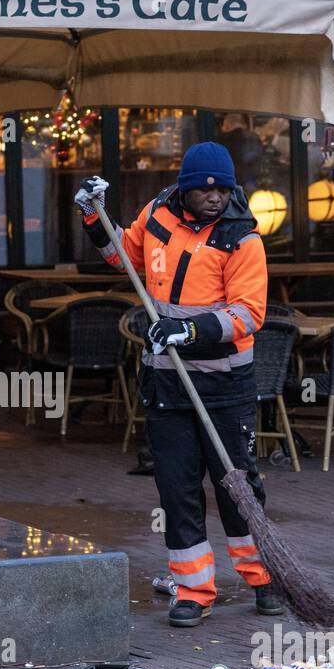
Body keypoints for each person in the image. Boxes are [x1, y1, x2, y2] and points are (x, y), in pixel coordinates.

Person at [74, 142, 282, 626]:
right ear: (185, 189)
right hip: (166, 381)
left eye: (221, 190)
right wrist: (92, 214)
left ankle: (263, 576)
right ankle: (193, 590)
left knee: (237, 486)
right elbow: (121, 255)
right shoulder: (156, 216)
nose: (213, 198)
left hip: (224, 383)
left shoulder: (242, 240)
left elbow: (249, 313)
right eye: (203, 189)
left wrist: (188, 330)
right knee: (177, 488)